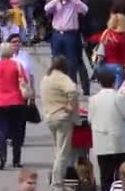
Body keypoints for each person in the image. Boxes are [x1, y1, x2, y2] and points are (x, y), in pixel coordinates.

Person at [88, 70, 125, 191]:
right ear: (114, 82)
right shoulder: (119, 97)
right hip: (119, 142)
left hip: (102, 142)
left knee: (105, 176)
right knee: (120, 175)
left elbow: (90, 118)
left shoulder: (93, 99)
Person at [0, 43, 27, 170]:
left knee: (2, 131)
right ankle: (16, 159)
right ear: (11, 52)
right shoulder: (17, 65)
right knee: (17, 131)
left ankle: (2, 156)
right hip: (15, 100)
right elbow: (24, 81)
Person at [41, 56, 79, 191]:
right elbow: (73, 90)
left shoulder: (46, 77)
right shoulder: (63, 78)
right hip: (62, 117)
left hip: (50, 116)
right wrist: (71, 105)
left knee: (57, 150)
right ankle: (57, 183)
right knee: (63, 152)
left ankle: (56, 180)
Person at [44, 0, 88, 92]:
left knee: (72, 62)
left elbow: (85, 9)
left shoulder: (74, 3)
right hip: (57, 34)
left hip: (71, 34)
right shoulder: (55, 2)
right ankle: (57, 85)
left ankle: (71, 86)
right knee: (56, 60)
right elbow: (47, 9)